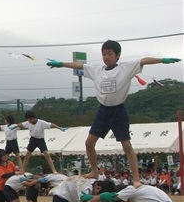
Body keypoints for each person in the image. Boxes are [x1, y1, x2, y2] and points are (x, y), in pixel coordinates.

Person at [47, 40, 180, 187]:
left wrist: (163, 60)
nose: (106, 57)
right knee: (89, 143)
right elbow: (79, 65)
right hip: (103, 111)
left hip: (118, 111)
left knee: (127, 147)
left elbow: (144, 60)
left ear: (117, 56)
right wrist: (61, 64)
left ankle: (136, 179)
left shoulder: (125, 68)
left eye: (110, 54)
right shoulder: (97, 70)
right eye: (104, 54)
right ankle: (94, 171)